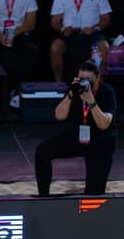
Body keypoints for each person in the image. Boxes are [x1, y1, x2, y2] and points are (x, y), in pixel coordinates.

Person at [35, 61, 116, 195]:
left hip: (101, 141)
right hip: (77, 136)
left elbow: (103, 124)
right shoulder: (75, 89)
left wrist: (91, 101)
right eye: (81, 79)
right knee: (42, 151)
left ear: (98, 79)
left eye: (88, 80)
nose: (85, 83)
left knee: (93, 194)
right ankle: (43, 196)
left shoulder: (107, 92)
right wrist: (70, 96)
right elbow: (59, 116)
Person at [49, 0, 112, 82]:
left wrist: (95, 28)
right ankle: (59, 83)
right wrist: (62, 29)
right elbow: (55, 21)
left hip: (92, 31)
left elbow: (106, 18)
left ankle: (100, 85)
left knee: (104, 47)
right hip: (69, 33)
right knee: (55, 47)